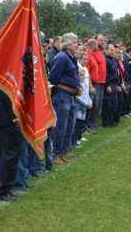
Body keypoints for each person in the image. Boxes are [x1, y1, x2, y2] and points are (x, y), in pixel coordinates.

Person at [48, 33, 80, 165]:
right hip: (62, 95)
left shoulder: (71, 57)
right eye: (75, 42)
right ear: (67, 45)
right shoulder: (62, 57)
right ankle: (56, 154)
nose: (77, 45)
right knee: (60, 125)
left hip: (70, 95)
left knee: (69, 124)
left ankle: (64, 149)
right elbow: (53, 77)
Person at [0, 87, 24, 202]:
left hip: (2, 113)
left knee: (3, 153)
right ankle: (4, 190)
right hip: (8, 116)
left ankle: (1, 189)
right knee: (11, 152)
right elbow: (8, 94)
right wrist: (15, 115)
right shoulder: (8, 71)